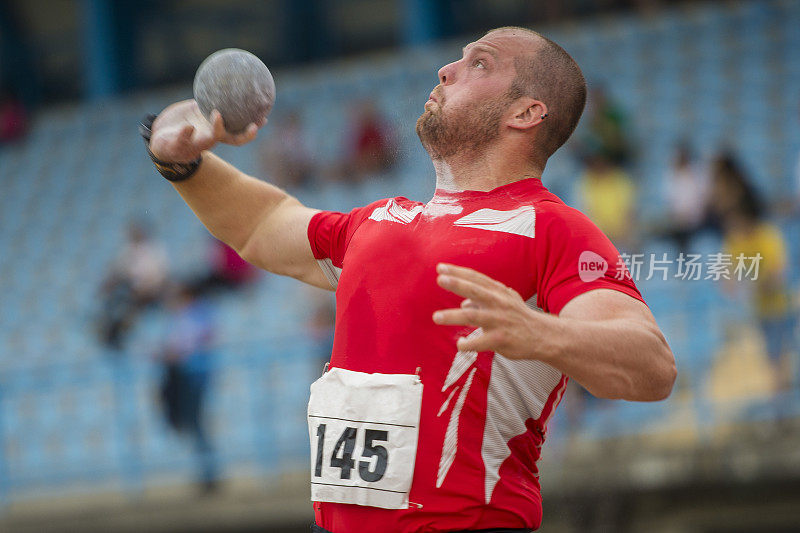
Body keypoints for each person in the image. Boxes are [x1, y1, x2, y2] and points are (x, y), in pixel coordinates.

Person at [142, 26, 676, 533]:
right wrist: (181, 162)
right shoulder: (378, 221)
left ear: (526, 111)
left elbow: (652, 367)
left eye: (478, 64)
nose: (446, 69)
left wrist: (543, 335)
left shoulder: (551, 229)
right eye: (457, 59)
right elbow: (262, 224)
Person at [158, 283, 219, 493]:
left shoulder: (194, 317)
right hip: (190, 376)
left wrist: (170, 354)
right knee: (196, 426)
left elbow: (185, 347)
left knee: (196, 425)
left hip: (193, 377)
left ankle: (208, 475)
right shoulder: (193, 317)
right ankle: (207, 473)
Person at [98, 221, 169, 349]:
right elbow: (119, 271)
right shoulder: (127, 250)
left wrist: (144, 287)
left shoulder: (155, 249)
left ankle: (125, 330)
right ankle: (111, 332)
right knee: (114, 298)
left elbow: (160, 275)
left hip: (151, 290)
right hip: (131, 289)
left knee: (131, 303)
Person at [576, 151, 636, 250]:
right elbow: (586, 211)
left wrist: (624, 233)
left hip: (622, 234)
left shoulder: (620, 179)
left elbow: (629, 211)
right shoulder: (585, 182)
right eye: (596, 163)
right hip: (598, 234)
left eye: (603, 162)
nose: (600, 166)